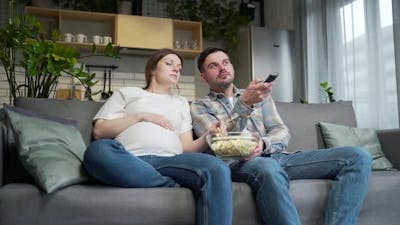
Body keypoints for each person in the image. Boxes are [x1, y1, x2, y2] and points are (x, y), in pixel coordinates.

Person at [190, 47, 372, 225]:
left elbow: (281, 130)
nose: (222, 67)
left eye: (226, 62)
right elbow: (220, 142)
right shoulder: (200, 106)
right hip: (238, 164)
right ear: (203, 77)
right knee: (267, 167)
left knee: (357, 157)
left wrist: (264, 143)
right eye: (213, 66)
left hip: (276, 156)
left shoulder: (258, 95)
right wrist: (244, 103)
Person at [83, 48, 232, 225]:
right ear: (152, 68)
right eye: (169, 63)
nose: (176, 69)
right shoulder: (127, 93)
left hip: (171, 161)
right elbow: (100, 131)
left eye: (179, 67)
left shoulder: (181, 103)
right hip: (130, 159)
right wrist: (141, 116)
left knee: (217, 167)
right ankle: (166, 183)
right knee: (97, 152)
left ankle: (152, 179)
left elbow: (186, 148)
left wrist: (209, 134)